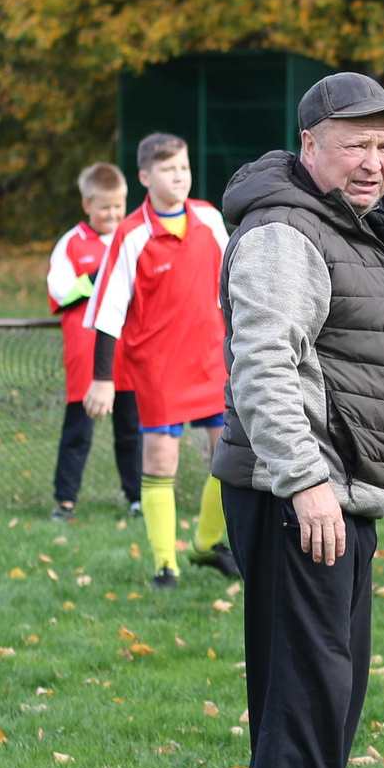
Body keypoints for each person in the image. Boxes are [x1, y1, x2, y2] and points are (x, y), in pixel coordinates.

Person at [211, 72, 384, 768]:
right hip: (299, 491)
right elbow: (263, 362)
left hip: (339, 491)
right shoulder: (285, 231)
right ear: (310, 146)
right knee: (309, 685)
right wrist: (306, 483)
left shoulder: (353, 221)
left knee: (322, 685)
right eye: (356, 145)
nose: (374, 162)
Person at [83, 133, 235, 590]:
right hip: (160, 370)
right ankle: (165, 565)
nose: (180, 177)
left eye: (184, 167)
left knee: (231, 457)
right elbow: (107, 309)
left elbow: (235, 283)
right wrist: (102, 380)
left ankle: (206, 545)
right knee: (161, 461)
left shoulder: (209, 218)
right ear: (146, 177)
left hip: (212, 361)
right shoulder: (131, 234)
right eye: (170, 170)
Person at [47, 162, 143, 521]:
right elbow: (59, 290)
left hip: (128, 352)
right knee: (78, 431)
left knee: (131, 431)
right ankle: (65, 501)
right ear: (87, 204)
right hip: (87, 355)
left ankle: (136, 498)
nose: (113, 214)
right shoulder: (71, 244)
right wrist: (98, 278)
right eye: (104, 207)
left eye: (118, 206)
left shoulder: (133, 236)